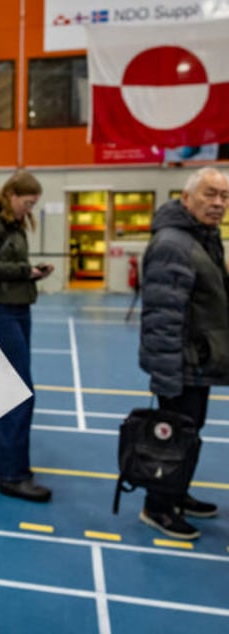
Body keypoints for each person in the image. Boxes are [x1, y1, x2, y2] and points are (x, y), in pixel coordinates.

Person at [138, 167, 229, 539]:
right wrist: (165, 375)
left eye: (224, 196)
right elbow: (163, 316)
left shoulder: (205, 238)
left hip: (200, 361)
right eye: (210, 194)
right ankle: (157, 507)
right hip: (181, 364)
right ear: (187, 197)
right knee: (172, 437)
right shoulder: (174, 243)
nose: (219, 203)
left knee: (190, 435)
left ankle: (177, 493)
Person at [0, 170, 53, 502]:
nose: (29, 210)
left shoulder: (13, 223)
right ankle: (13, 474)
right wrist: (23, 272)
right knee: (18, 393)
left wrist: (30, 273)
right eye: (28, 203)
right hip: (0, 311)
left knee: (3, 389)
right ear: (13, 195)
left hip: (17, 307)